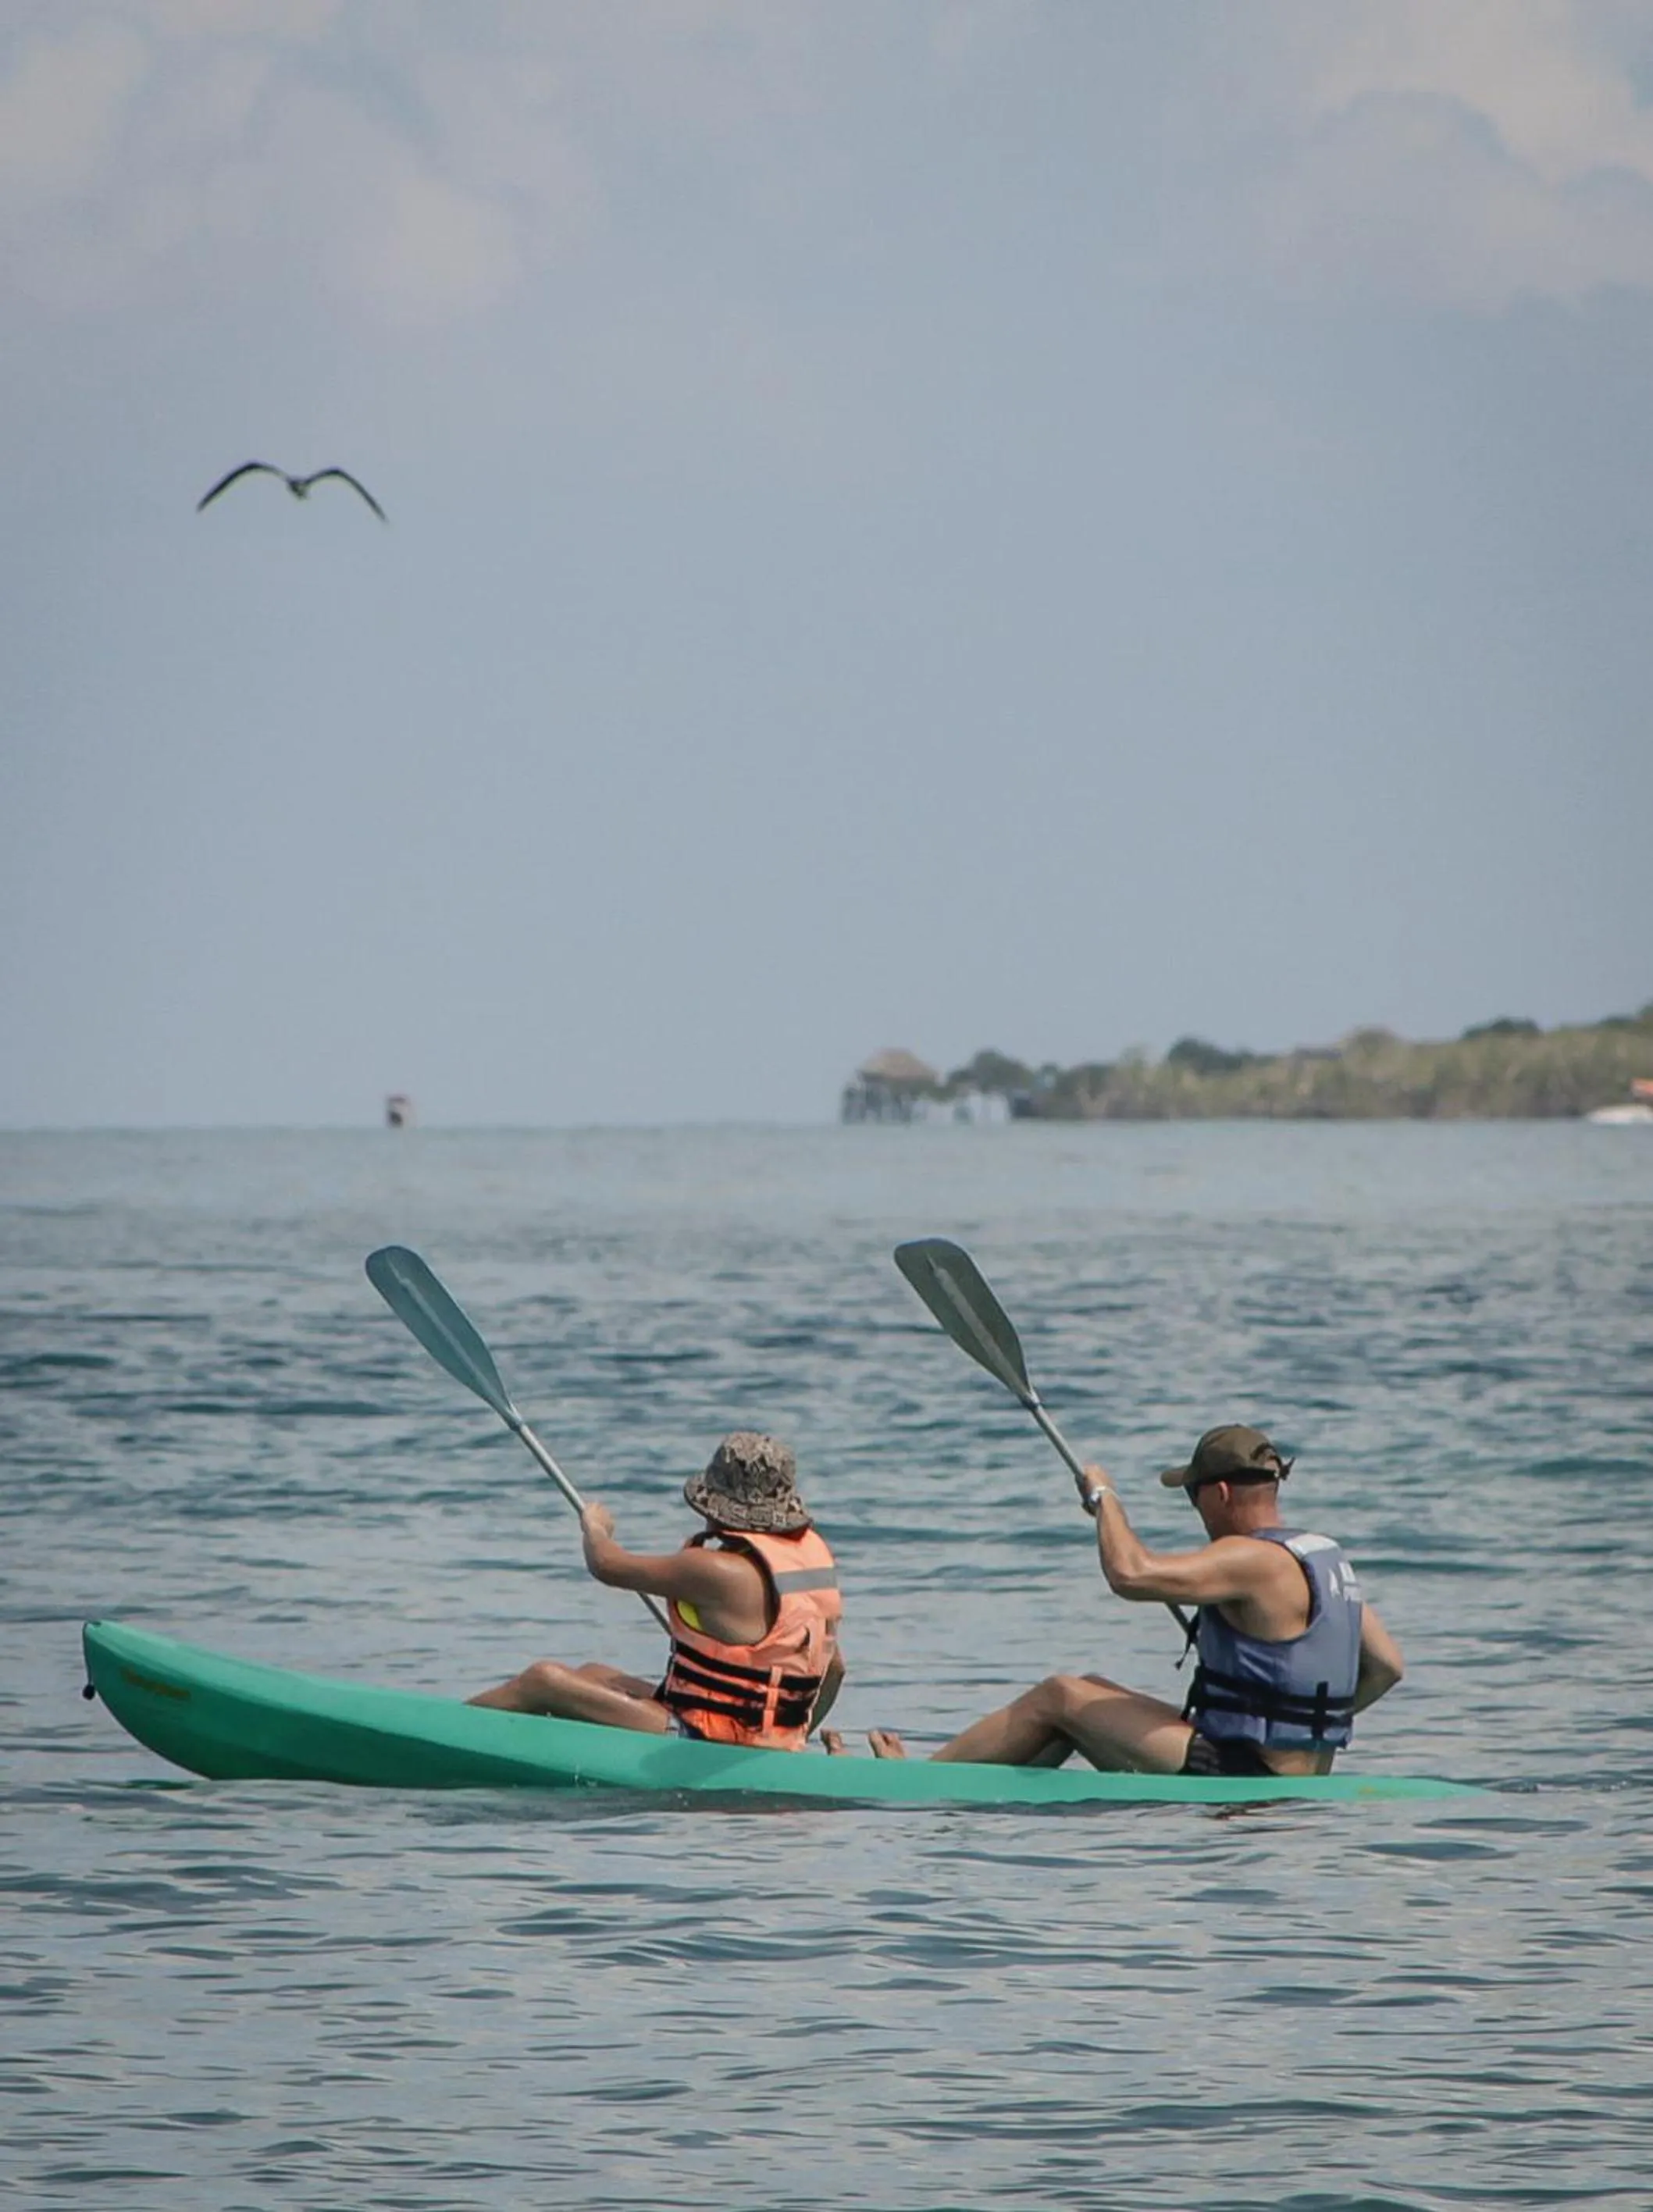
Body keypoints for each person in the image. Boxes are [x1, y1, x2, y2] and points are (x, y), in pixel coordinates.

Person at [865, 1425, 1403, 1777]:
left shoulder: (1250, 1559)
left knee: (1059, 1694)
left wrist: (1105, 1498)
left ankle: (912, 1782)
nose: (1193, 1507)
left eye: (1192, 1494)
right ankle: (981, 1785)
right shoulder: (1324, 1557)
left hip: (1242, 1773)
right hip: (1300, 1770)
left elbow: (1129, 1573)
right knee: (1091, 1691)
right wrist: (1304, 1725)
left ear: (1217, 1493)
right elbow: (1386, 1667)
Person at [468, 1431, 845, 1750]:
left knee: (544, 1680)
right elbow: (835, 1670)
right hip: (759, 1741)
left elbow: (607, 1565)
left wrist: (595, 1527)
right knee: (595, 1674)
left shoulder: (715, 1569)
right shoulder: (806, 1569)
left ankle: (444, 1733)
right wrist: (791, 1741)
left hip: (704, 1743)